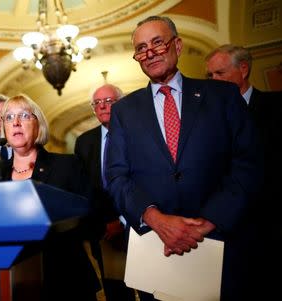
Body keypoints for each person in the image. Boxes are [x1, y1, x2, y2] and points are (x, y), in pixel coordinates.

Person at [105, 16, 262, 300]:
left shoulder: (222, 96)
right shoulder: (124, 111)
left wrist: (207, 222)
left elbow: (248, 164)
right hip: (156, 250)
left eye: (157, 42)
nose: (149, 52)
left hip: (221, 244)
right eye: (141, 48)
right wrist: (155, 219)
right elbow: (117, 176)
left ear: (177, 45)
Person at [0, 94, 102, 301]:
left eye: (24, 116)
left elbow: (94, 220)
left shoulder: (67, 165)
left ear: (39, 125)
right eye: (9, 117)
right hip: (13, 281)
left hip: (65, 278)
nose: (16, 123)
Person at [205, 44, 282, 299]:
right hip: (228, 233)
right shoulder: (208, 120)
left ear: (244, 69)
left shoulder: (276, 107)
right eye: (210, 76)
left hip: (271, 227)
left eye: (219, 73)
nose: (214, 81)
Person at [74, 84, 135, 301]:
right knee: (116, 291)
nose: (102, 107)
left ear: (121, 103)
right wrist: (108, 220)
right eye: (97, 103)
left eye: (108, 101)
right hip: (103, 230)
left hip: (141, 222)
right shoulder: (84, 142)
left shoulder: (139, 133)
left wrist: (123, 219)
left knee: (152, 286)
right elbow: (85, 187)